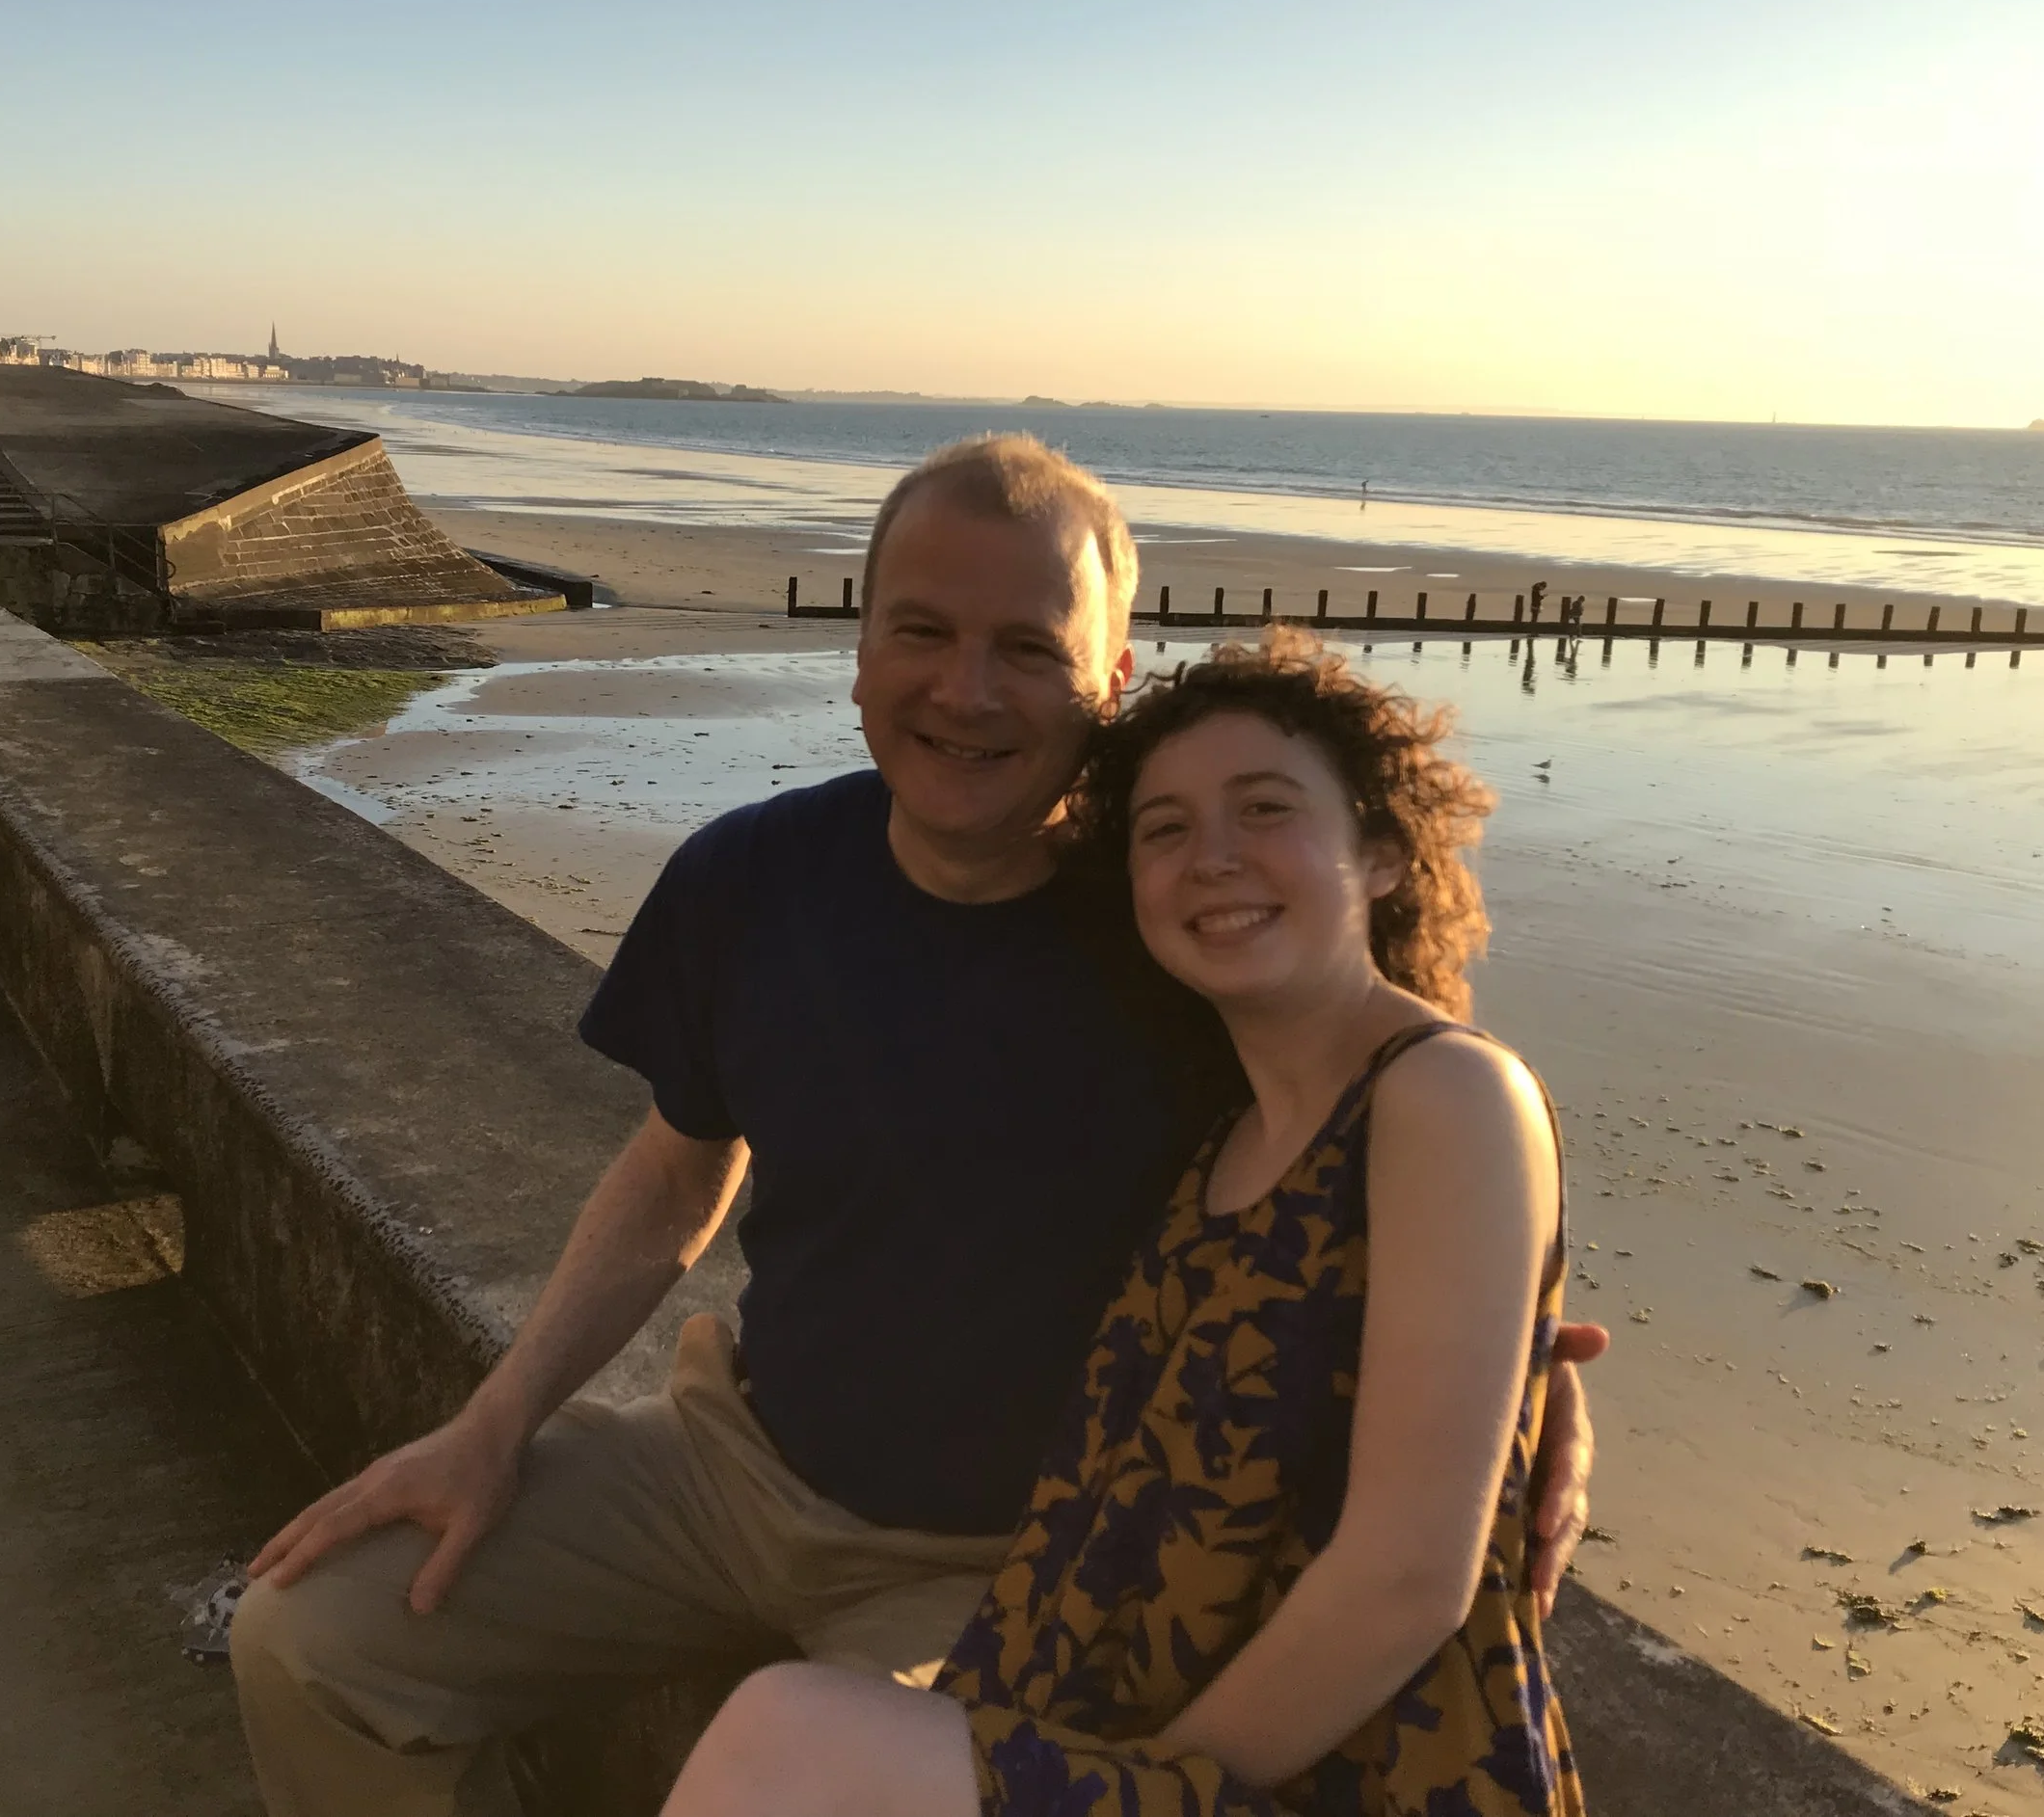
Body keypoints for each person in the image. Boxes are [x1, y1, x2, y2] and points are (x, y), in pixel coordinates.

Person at [229, 437, 1601, 1817]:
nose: (966, 689)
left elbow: (1389, 1129)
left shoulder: (1178, 925)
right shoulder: (751, 877)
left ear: (1110, 682)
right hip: (730, 1461)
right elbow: (677, 1170)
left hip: (1008, 1565)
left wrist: (1530, 1386)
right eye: (924, 632)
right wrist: (493, 1421)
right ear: (861, 650)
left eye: (1028, 647)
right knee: (311, 1639)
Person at [664, 630, 1581, 1817]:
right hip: (1106, 1720)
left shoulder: (1446, 1093)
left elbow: (1409, 1577)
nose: (1213, 857)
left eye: (1264, 809)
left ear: (1382, 851)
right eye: (1163, 829)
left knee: (783, 1732)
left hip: (1330, 1771)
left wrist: (1128, 1792)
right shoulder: (1223, 1135)